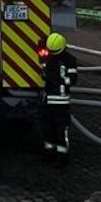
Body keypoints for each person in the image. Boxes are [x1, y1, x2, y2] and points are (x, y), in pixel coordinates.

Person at [41, 33, 79, 162]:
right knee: (59, 129)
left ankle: (51, 154)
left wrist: (56, 80)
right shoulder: (70, 60)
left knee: (49, 128)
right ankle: (60, 156)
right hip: (61, 101)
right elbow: (73, 79)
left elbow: (45, 76)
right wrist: (63, 81)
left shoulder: (48, 60)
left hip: (50, 100)